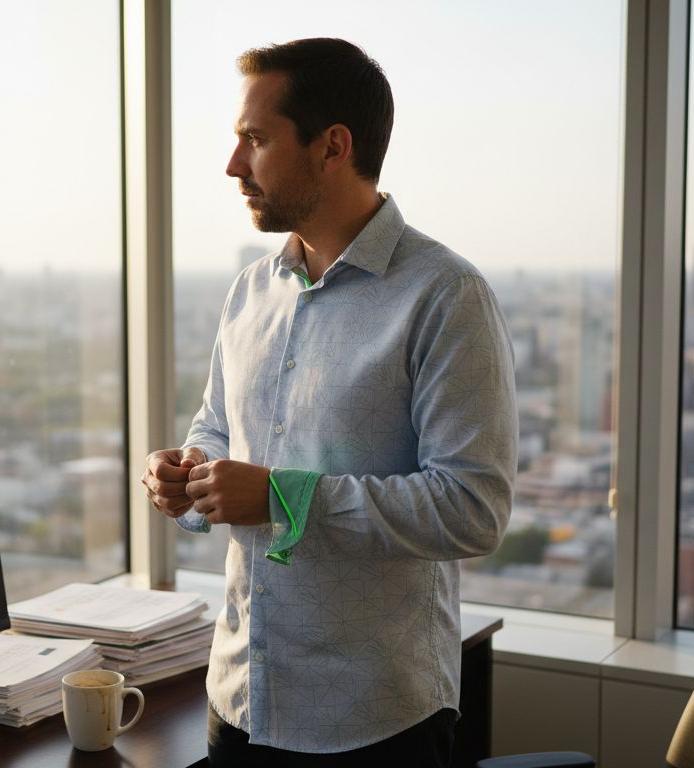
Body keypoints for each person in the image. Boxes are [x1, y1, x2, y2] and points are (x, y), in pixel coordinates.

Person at [141, 38, 518, 767]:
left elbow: (472, 508)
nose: (232, 165)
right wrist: (192, 472)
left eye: (255, 139)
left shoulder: (445, 296)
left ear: (332, 147)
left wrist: (281, 497)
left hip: (372, 724)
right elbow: (218, 427)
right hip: (240, 699)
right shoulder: (250, 291)